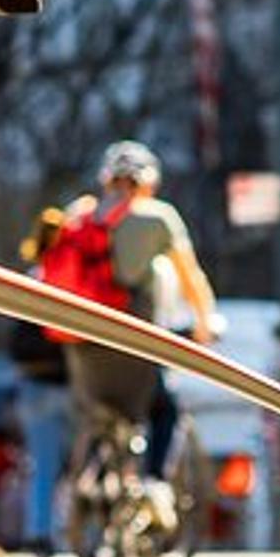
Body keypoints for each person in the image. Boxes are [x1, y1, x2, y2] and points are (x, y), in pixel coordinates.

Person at [62, 140, 218, 487]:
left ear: (106, 182)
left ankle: (87, 482)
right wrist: (205, 322)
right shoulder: (157, 217)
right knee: (166, 410)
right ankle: (155, 484)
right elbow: (190, 277)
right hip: (134, 346)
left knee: (92, 413)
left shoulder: (78, 219)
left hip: (82, 352)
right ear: (147, 183)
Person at [10, 206, 74, 557]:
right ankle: (93, 541)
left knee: (43, 468)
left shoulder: (32, 277)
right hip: (72, 384)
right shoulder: (75, 278)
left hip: (35, 386)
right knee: (84, 464)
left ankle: (41, 541)